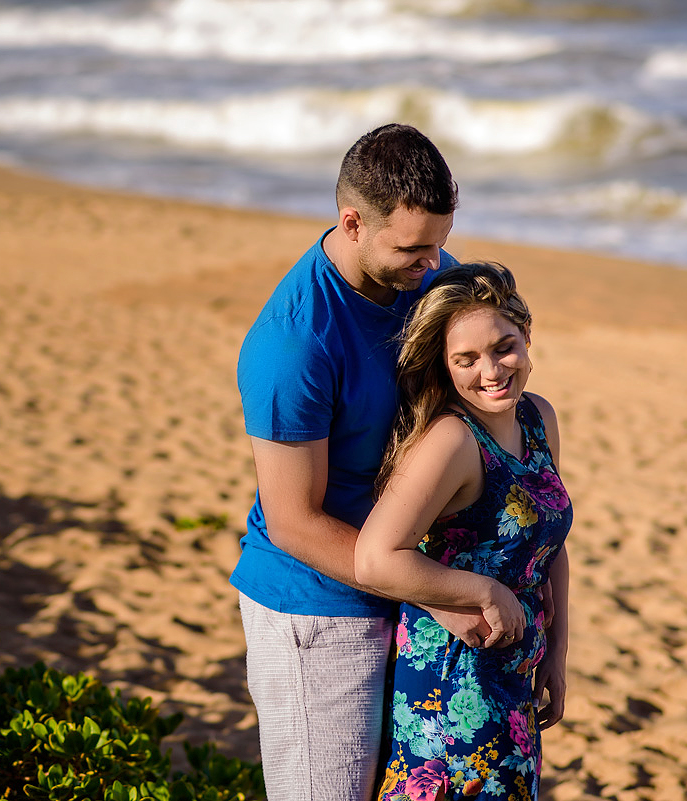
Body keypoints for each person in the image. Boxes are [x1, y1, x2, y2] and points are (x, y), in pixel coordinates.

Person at [232, 123, 480, 801]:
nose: (434, 266)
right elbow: (294, 522)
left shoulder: (426, 270)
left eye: (439, 242)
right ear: (352, 222)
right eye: (412, 249)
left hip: (407, 585)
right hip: (318, 609)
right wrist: (434, 590)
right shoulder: (294, 344)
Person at [354, 261, 571, 800]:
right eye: (466, 359)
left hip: (516, 670)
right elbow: (376, 558)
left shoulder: (538, 418)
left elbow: (550, 547)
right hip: (455, 681)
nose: (492, 371)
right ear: (446, 367)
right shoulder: (451, 441)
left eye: (504, 347)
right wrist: (484, 591)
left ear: (525, 335)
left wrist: (557, 654)